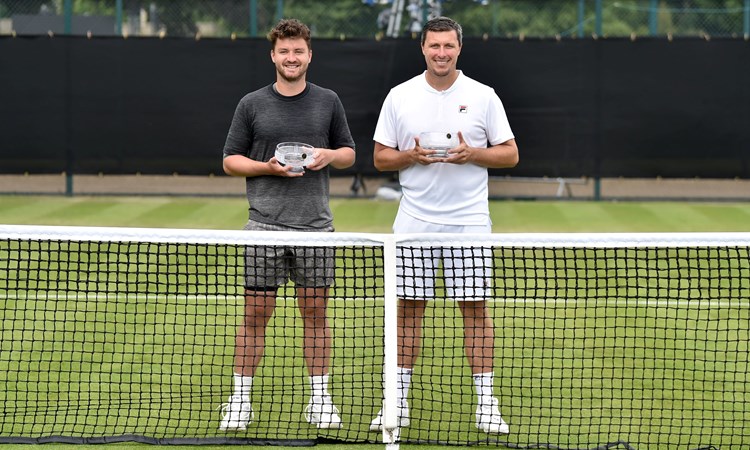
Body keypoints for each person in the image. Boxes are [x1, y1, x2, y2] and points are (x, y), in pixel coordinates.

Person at [368, 16, 518, 435]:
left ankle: (487, 406)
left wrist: (475, 155)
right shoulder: (399, 96)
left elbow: (510, 155)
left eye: (448, 46)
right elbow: (381, 158)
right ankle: (396, 404)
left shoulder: (484, 96)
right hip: (413, 222)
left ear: (459, 48)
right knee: (409, 311)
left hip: (470, 222)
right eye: (434, 46)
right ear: (423, 48)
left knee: (474, 311)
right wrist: (409, 158)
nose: (441, 53)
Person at [218, 18, 356, 431]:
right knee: (255, 314)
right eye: (284, 51)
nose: (291, 58)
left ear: (309, 55)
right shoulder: (251, 103)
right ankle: (240, 400)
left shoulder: (328, 101)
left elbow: (349, 153)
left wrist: (328, 156)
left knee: (315, 314)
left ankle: (319, 399)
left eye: (298, 51)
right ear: (273, 55)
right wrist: (266, 168)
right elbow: (229, 160)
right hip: (263, 227)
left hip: (316, 228)